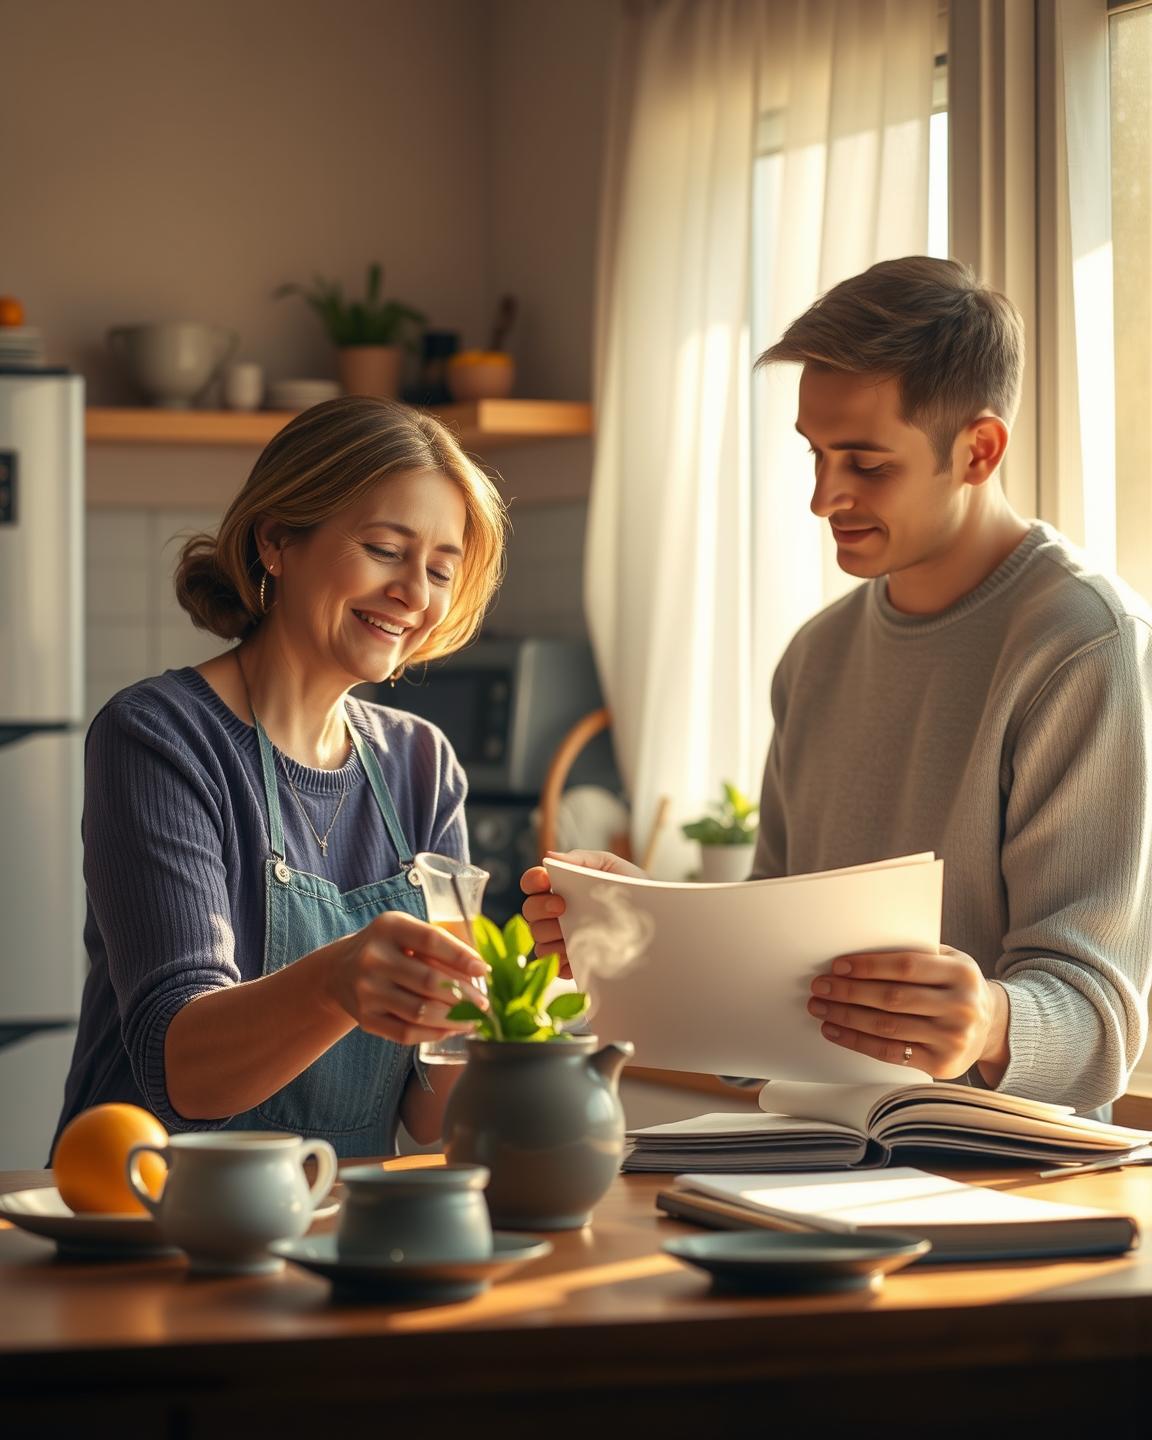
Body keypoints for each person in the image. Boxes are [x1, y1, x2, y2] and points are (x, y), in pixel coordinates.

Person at [522, 256, 1152, 1116]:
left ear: (980, 449)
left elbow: (1099, 1025)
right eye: (815, 455)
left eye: (866, 463)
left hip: (1001, 1177)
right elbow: (775, 986)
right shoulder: (816, 656)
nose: (825, 497)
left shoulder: (1084, 645)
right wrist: (638, 923)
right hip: (810, 1155)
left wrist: (991, 1024)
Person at [55, 396, 506, 1158]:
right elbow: (185, 1071)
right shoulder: (160, 735)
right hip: (151, 1223)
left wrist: (523, 997)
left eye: (439, 568)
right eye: (385, 549)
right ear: (276, 541)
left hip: (345, 1231)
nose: (415, 594)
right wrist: (338, 980)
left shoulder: (422, 768)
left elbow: (435, 1119)